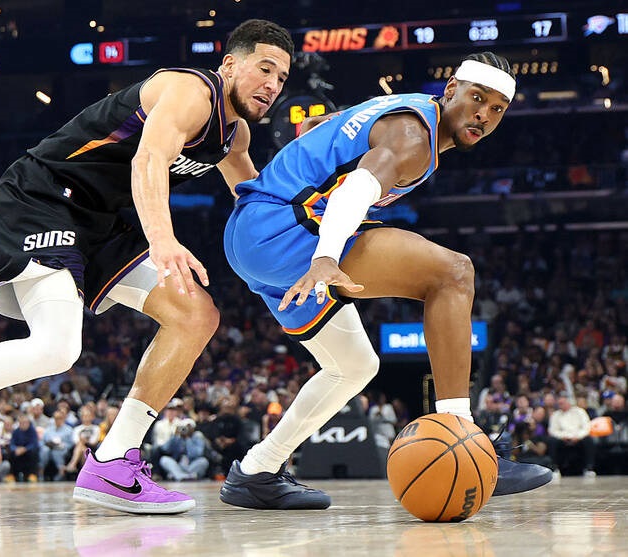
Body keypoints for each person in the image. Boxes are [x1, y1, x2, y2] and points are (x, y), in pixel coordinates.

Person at [0, 19, 293, 514]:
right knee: (56, 348)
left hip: (105, 221)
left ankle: (113, 461)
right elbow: (149, 161)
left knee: (195, 315)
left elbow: (259, 208)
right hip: (46, 197)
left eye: (282, 78)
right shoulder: (190, 91)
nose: (272, 85)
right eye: (264, 69)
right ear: (229, 64)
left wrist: (316, 250)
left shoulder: (234, 136)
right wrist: (163, 239)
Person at [220, 52, 553, 509]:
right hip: (285, 230)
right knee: (453, 274)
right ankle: (466, 435)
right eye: (477, 98)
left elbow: (322, 126)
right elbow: (356, 189)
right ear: (451, 89)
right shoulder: (415, 137)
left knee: (354, 366)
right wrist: (325, 257)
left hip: (252, 234)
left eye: (497, 109)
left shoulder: (405, 107)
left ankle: (257, 470)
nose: (484, 115)